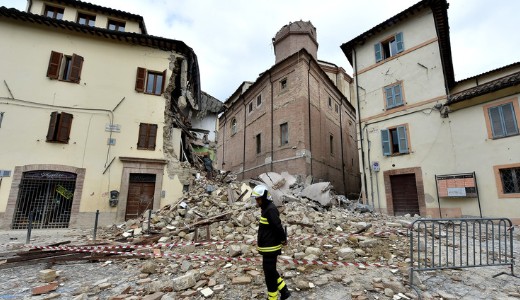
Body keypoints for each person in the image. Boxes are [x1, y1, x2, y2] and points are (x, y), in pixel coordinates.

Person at [251, 185, 291, 300]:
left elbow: (278, 227)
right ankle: (284, 291)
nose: (256, 201)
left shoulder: (270, 209)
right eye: (256, 199)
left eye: (258, 199)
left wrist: (283, 239)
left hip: (271, 248)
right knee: (271, 271)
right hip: (267, 248)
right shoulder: (266, 208)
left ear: (264, 197)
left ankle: (272, 298)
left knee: (269, 275)